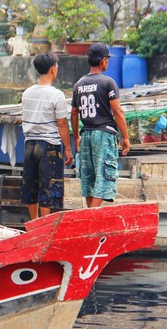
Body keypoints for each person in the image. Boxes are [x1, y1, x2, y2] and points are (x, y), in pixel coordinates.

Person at [70, 42, 130, 208]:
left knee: (89, 180)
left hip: (86, 135)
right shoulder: (108, 82)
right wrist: (125, 137)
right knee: (104, 180)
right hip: (103, 135)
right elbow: (118, 112)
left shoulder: (79, 85)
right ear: (103, 61)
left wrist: (76, 137)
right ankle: (90, 216)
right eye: (107, 59)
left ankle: (90, 218)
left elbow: (74, 114)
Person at [21, 53, 73, 220]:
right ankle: (45, 225)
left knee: (31, 185)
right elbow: (62, 123)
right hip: (49, 145)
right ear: (53, 69)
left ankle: (33, 222)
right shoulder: (56, 94)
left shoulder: (27, 93)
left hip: (29, 144)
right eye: (56, 67)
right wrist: (68, 149)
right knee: (49, 186)